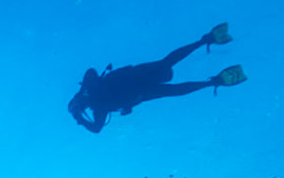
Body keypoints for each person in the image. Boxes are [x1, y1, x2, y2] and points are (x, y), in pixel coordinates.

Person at [68, 24, 245, 133]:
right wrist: (80, 118)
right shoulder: (98, 108)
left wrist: (82, 97)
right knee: (172, 84)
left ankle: (205, 45)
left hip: (135, 79)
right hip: (139, 90)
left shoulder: (90, 89)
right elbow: (97, 129)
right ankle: (212, 80)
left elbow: (90, 71)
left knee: (167, 66)